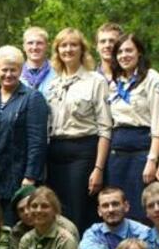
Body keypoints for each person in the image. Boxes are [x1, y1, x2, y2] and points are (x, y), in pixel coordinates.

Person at [0, 45, 48, 224]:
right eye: (4, 70)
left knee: (13, 228)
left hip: (17, 178)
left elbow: (37, 142)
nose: (8, 74)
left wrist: (30, 177)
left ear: (20, 70)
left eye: (13, 70)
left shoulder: (32, 98)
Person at [46, 27, 112, 232]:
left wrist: (98, 169)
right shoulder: (52, 85)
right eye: (63, 45)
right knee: (58, 210)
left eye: (73, 45)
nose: (68, 49)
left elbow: (105, 128)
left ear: (82, 50)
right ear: (57, 51)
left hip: (83, 152)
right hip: (55, 152)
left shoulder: (95, 81)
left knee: (80, 211)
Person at [107, 34, 159, 223]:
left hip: (141, 150)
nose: (124, 55)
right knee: (117, 207)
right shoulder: (114, 82)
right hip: (117, 154)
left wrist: (152, 160)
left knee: (141, 208)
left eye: (129, 50)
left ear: (139, 52)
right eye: (120, 51)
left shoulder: (151, 78)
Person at [20, 26, 57, 97]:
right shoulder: (17, 74)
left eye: (39, 43)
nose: (34, 47)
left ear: (47, 46)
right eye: (30, 43)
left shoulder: (58, 72)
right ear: (24, 47)